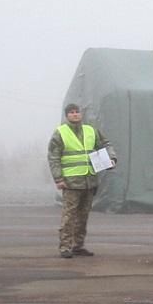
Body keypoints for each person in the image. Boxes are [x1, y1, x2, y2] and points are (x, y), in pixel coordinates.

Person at [47, 103, 114, 259]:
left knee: (83, 216)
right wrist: (58, 178)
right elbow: (53, 157)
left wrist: (111, 158)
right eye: (72, 112)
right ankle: (65, 246)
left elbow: (105, 145)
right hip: (71, 182)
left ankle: (78, 245)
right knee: (69, 216)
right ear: (67, 115)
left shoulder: (91, 131)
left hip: (89, 180)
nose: (75, 114)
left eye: (77, 112)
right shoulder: (60, 133)